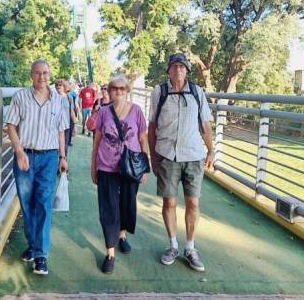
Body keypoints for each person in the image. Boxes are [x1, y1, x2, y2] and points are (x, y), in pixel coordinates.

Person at [147, 53, 213, 272]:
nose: (178, 70)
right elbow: (152, 126)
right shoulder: (160, 92)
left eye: (182, 67)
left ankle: (191, 247)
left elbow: (205, 124)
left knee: (193, 202)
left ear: (187, 71)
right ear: (169, 70)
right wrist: (153, 157)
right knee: (170, 202)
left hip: (193, 154)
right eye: (174, 66)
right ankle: (173, 245)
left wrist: (211, 151)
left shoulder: (197, 92)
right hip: (167, 154)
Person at [6, 59, 68, 276]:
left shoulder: (59, 101)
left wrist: (63, 157)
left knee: (43, 204)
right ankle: (33, 245)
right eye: (38, 73)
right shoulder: (20, 97)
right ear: (31, 75)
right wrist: (19, 151)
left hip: (49, 157)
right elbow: (11, 126)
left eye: (45, 73)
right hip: (25, 158)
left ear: (50, 75)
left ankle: (41, 256)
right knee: (27, 204)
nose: (42, 77)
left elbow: (61, 131)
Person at [91, 75, 149, 274]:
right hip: (107, 166)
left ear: (127, 90)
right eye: (114, 88)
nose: (118, 91)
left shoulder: (137, 111)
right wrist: (93, 167)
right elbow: (96, 141)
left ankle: (122, 235)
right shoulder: (104, 113)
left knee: (126, 203)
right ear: (109, 90)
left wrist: (145, 165)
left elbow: (142, 138)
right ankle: (110, 252)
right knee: (108, 208)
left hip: (130, 167)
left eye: (122, 88)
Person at [55, 79, 76, 157]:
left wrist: (75, 125)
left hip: (66, 126)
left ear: (64, 86)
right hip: (55, 126)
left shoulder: (69, 97)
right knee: (55, 147)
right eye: (56, 85)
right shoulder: (52, 97)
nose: (58, 87)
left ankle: (64, 164)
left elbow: (72, 112)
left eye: (60, 85)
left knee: (65, 147)